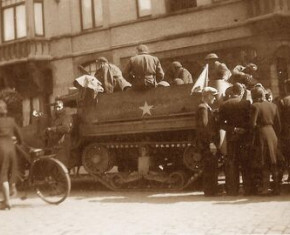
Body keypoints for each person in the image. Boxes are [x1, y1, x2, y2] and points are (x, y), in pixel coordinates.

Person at [219, 83, 253, 195]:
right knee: (246, 163)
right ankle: (248, 189)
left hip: (231, 138)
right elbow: (250, 122)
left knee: (232, 164)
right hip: (244, 138)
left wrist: (234, 129)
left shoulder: (224, 105)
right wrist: (243, 129)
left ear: (232, 92)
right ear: (241, 92)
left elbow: (221, 124)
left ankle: (233, 190)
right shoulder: (246, 103)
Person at [251, 86, 281, 195]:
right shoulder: (273, 106)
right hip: (272, 134)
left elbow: (252, 124)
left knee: (263, 161)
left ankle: (265, 188)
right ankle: (277, 187)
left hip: (261, 134)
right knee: (273, 161)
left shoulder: (255, 106)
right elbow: (278, 125)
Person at [196, 87, 219, 196]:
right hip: (207, 143)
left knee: (211, 166)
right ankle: (210, 191)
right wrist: (211, 142)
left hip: (207, 142)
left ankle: (212, 190)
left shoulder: (206, 108)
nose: (214, 98)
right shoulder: (203, 108)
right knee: (210, 166)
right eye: (213, 95)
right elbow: (205, 127)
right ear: (208, 95)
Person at [0, 100, 23, 210]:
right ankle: (12, 188)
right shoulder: (11, 121)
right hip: (11, 149)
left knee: (2, 174)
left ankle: (7, 202)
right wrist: (17, 141)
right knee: (13, 169)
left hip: (1, 150)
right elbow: (19, 136)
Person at [46, 100, 73, 168]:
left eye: (59, 107)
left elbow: (66, 128)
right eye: (55, 107)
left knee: (62, 163)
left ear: (63, 107)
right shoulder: (56, 118)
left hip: (63, 142)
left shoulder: (66, 116)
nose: (57, 109)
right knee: (54, 162)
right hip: (56, 143)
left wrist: (53, 129)